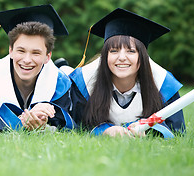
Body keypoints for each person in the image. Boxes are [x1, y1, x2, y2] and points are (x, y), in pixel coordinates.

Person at [67, 8, 185, 138]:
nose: (122, 57)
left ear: (143, 57)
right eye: (114, 51)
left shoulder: (163, 83)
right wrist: (105, 131)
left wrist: (148, 129)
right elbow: (78, 124)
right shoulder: (85, 80)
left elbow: (177, 130)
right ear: (105, 55)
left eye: (131, 51)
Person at [0, 4, 75, 131]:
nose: (27, 60)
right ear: (10, 50)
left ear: (48, 56)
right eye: (21, 51)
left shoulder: (60, 83)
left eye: (36, 53)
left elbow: (69, 125)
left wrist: (43, 122)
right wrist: (20, 121)